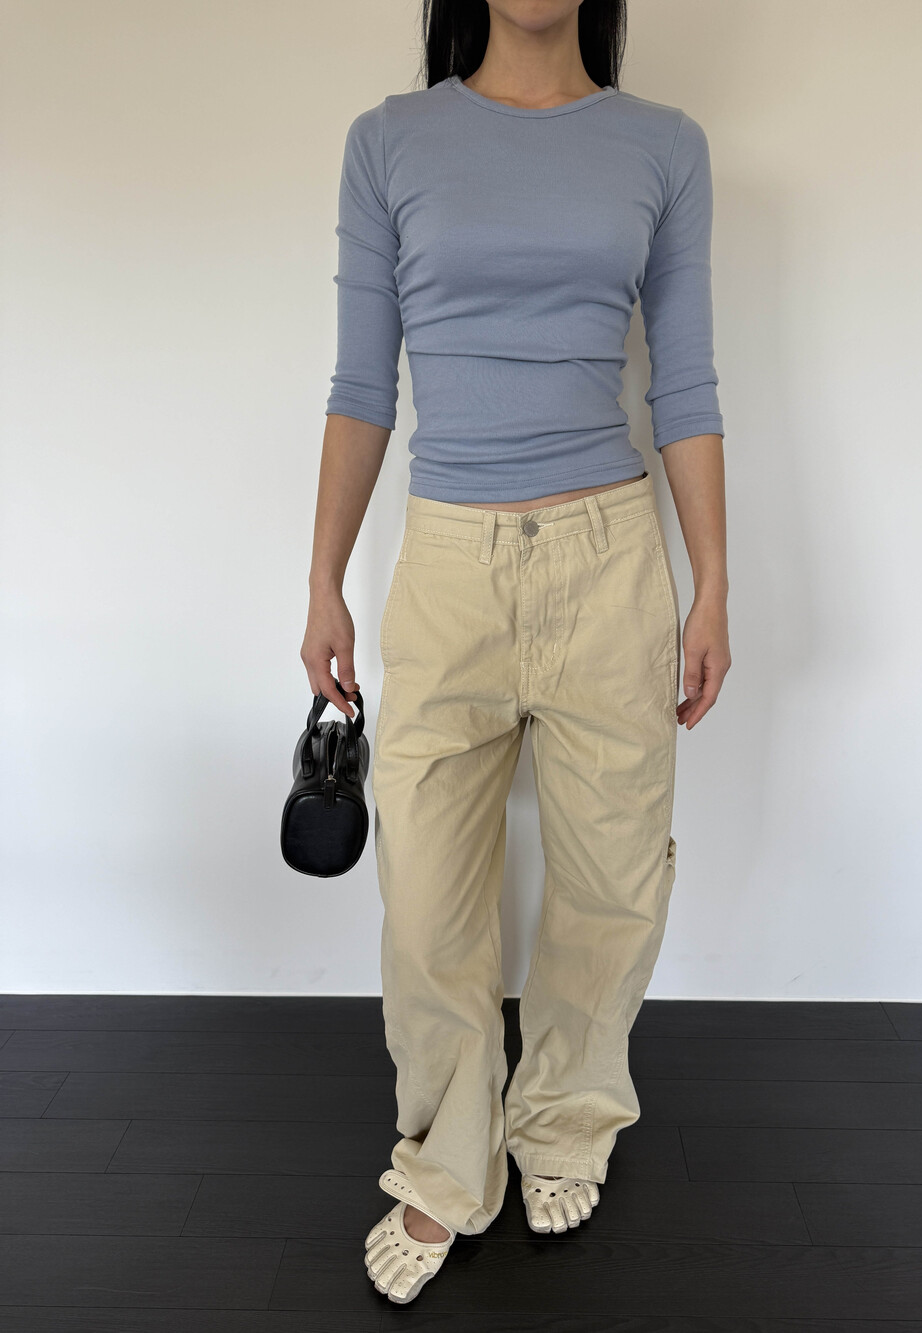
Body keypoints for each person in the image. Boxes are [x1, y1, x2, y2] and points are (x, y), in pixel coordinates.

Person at [301, 0, 731, 1307]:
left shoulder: (663, 144)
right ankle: (449, 1156)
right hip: (448, 564)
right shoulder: (389, 141)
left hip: (612, 558)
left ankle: (565, 1118)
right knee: (428, 897)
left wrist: (713, 582)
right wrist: (323, 579)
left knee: (612, 880)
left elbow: (686, 382)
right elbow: (362, 384)